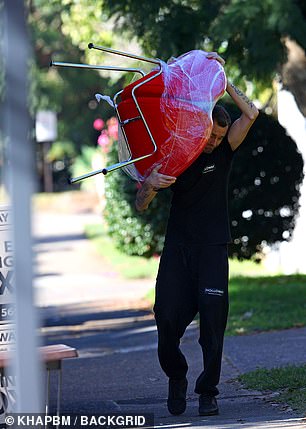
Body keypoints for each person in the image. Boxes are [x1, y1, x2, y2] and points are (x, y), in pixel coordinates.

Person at [135, 52, 259, 416]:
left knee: (213, 321)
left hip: (212, 248)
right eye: (212, 135)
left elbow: (250, 114)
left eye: (221, 137)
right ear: (200, 127)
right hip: (178, 248)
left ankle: (208, 391)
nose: (215, 143)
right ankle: (177, 376)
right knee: (166, 318)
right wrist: (152, 184)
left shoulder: (225, 152)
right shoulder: (175, 153)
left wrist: (222, 77)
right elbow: (141, 203)